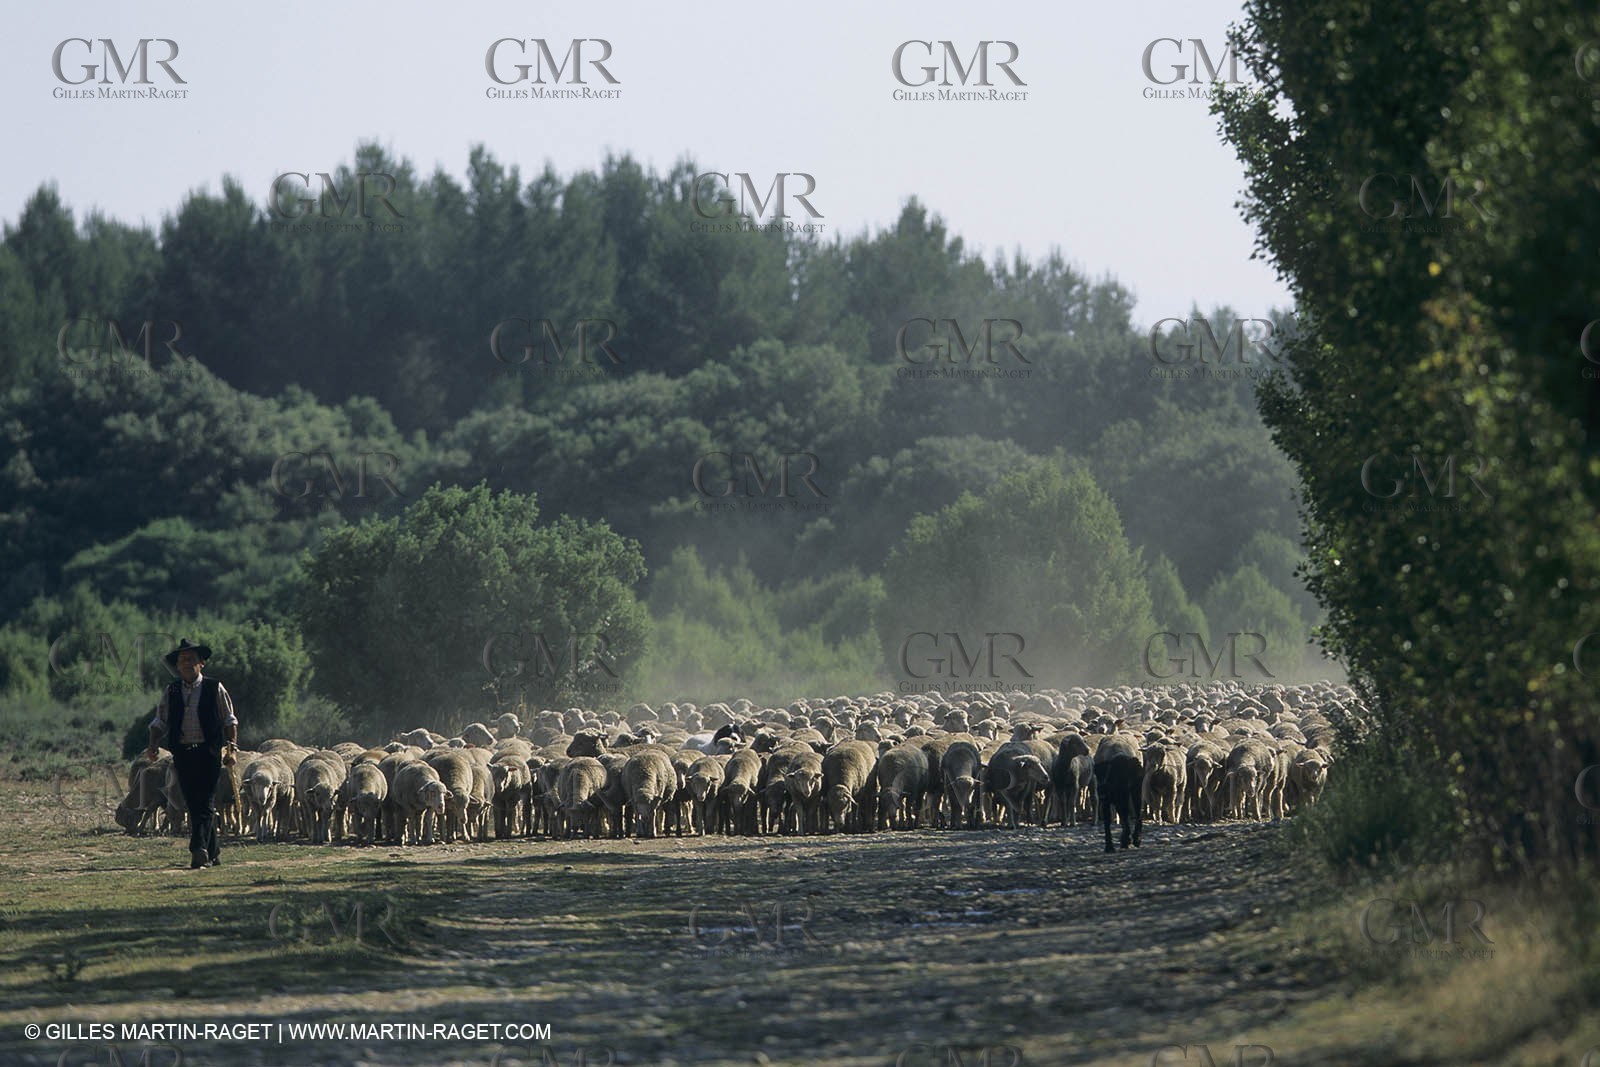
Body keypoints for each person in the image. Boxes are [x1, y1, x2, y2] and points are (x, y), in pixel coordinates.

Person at [146, 638, 238, 868]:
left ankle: (198, 849)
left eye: (191, 660)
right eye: (182, 661)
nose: (186, 664)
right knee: (193, 802)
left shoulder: (214, 688)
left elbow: (229, 719)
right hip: (183, 753)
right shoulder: (172, 690)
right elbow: (160, 721)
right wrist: (153, 744)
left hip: (208, 752)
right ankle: (213, 851)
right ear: (178, 666)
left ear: (201, 664)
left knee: (205, 800)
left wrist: (232, 748)